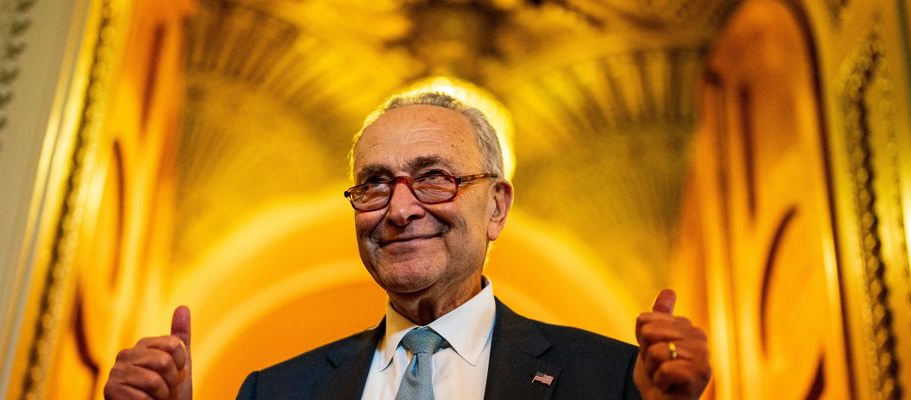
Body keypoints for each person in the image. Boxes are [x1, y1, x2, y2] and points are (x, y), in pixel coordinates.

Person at [104, 92, 711, 400]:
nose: (399, 209)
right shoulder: (278, 391)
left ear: (496, 206)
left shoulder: (608, 380)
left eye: (433, 177)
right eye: (374, 184)